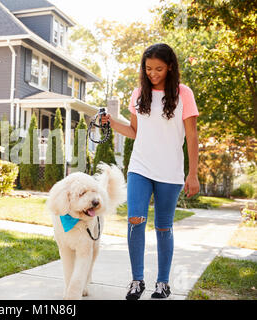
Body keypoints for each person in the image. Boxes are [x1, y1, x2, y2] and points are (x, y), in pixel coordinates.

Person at [101, 43, 200, 300]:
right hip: (140, 167)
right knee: (135, 220)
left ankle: (163, 283)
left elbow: (191, 135)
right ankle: (137, 280)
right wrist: (111, 122)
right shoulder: (138, 93)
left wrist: (193, 174)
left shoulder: (183, 94)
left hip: (170, 171)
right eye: (148, 69)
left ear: (170, 67)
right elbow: (135, 132)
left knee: (164, 227)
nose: (152, 73)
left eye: (158, 69)